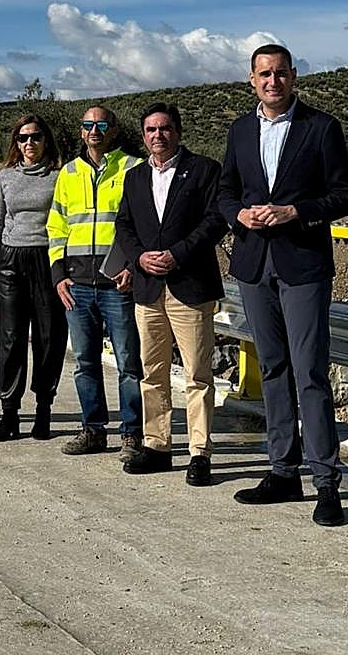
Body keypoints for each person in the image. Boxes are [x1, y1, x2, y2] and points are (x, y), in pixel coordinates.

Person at [218, 43, 348, 526]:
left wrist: (296, 211)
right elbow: (225, 192)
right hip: (254, 264)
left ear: (294, 76)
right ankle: (283, 471)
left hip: (303, 265)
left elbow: (346, 195)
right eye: (264, 74)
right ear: (252, 80)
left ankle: (326, 483)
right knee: (272, 367)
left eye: (280, 73)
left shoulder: (321, 127)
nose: (272, 81)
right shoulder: (239, 130)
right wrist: (237, 215)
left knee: (310, 371)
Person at [114, 103, 227, 486]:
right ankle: (157, 446)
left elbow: (215, 220)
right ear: (143, 135)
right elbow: (124, 225)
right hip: (148, 288)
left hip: (189, 286)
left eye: (164, 128)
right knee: (152, 372)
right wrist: (139, 257)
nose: (158, 135)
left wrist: (177, 254)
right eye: (151, 130)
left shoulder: (204, 170)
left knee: (197, 374)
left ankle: (200, 453)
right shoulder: (134, 177)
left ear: (177, 131)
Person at [47, 106, 144, 457]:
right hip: (77, 285)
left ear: (114, 130)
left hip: (117, 284)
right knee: (85, 363)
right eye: (88, 125)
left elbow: (144, 224)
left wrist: (133, 266)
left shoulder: (133, 168)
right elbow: (56, 226)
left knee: (128, 363)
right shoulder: (69, 172)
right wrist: (58, 275)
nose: (94, 130)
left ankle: (132, 433)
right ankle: (93, 430)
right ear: (81, 131)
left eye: (101, 124)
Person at [0, 114, 68, 442]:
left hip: (47, 259)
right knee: (10, 339)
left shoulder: (60, 177)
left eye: (35, 136)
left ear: (46, 140)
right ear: (16, 143)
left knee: (49, 337)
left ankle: (43, 410)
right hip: (10, 260)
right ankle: (9, 413)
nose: (29, 143)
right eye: (23, 138)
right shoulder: (5, 177)